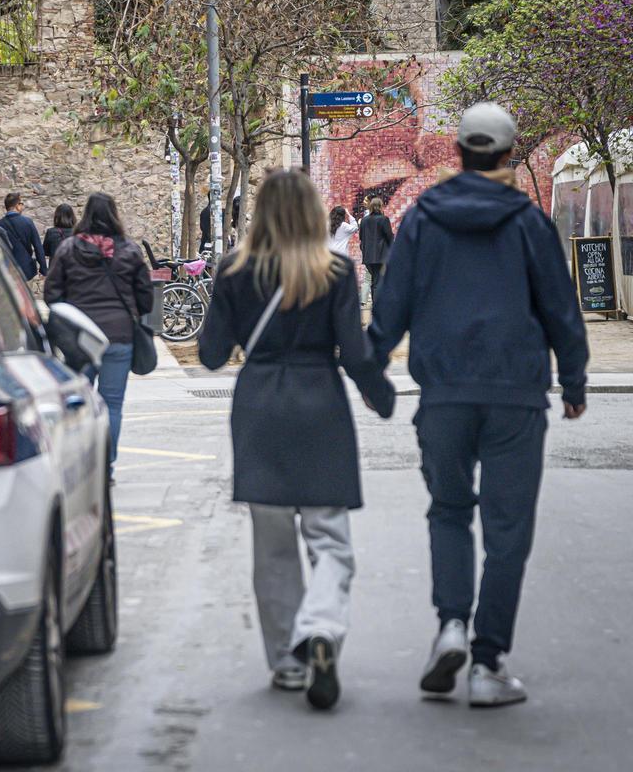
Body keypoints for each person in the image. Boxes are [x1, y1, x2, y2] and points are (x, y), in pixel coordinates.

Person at [369, 102, 589, 707]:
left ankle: (450, 626)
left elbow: (392, 306)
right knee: (508, 528)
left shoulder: (422, 220)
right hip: (515, 397)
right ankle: (488, 663)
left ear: (459, 153)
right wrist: (572, 382)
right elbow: (560, 309)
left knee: (448, 511)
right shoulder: (529, 222)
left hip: (443, 396)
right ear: (509, 155)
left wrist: (371, 368)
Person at [198, 169, 395, 711]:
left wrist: (231, 313)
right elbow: (355, 354)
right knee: (329, 538)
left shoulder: (234, 271)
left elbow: (212, 354)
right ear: (311, 214)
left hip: (260, 406)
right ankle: (322, 629)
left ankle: (287, 661)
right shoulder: (333, 270)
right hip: (319, 405)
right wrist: (381, 394)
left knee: (273, 546)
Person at [44, 193, 152, 481]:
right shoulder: (129, 250)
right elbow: (146, 298)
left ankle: (77, 464)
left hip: (80, 339)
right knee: (112, 403)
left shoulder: (68, 249)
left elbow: (51, 293)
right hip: (119, 336)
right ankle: (107, 467)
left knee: (77, 403)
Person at [0, 192, 48, 281]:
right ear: (17, 205)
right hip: (26, 270)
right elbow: (38, 246)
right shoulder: (28, 222)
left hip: (9, 270)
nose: (23, 206)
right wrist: (43, 269)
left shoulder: (0, 224)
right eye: (22, 204)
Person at [358, 197, 394, 303]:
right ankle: (378, 305)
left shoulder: (364, 220)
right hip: (381, 255)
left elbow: (361, 237)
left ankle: (376, 304)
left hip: (368, 255)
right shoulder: (384, 219)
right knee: (379, 280)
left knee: (374, 281)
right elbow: (389, 237)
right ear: (381, 206)